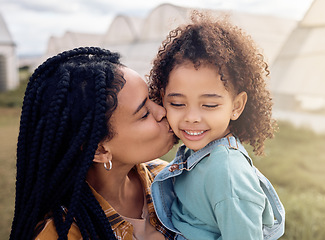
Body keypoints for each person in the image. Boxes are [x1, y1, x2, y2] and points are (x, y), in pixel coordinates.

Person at [9, 47, 177, 240]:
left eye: (151, 98)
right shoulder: (61, 234)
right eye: (144, 113)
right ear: (99, 149)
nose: (162, 111)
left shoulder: (170, 178)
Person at [148, 12, 285, 240]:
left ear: (237, 106)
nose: (191, 117)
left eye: (209, 105)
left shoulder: (228, 175)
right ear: (163, 99)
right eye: (178, 103)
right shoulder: (204, 156)